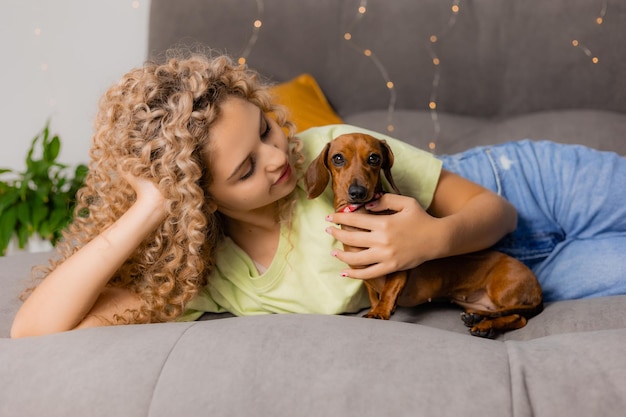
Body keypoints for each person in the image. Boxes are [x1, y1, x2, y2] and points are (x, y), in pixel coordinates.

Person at [10, 53, 626, 338]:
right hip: (504, 280)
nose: (281, 156)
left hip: (525, 188)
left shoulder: (325, 150)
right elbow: (36, 330)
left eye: (266, 126)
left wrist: (431, 237)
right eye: (247, 167)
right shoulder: (213, 279)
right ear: (201, 200)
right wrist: (149, 205)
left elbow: (499, 211)